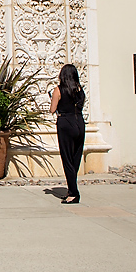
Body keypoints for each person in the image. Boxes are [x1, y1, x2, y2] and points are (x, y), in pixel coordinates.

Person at [49, 63, 86, 204]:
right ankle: (72, 186)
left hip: (65, 123)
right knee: (76, 157)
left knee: (67, 158)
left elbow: (53, 109)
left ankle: (73, 193)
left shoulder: (59, 90)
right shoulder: (79, 89)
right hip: (79, 122)